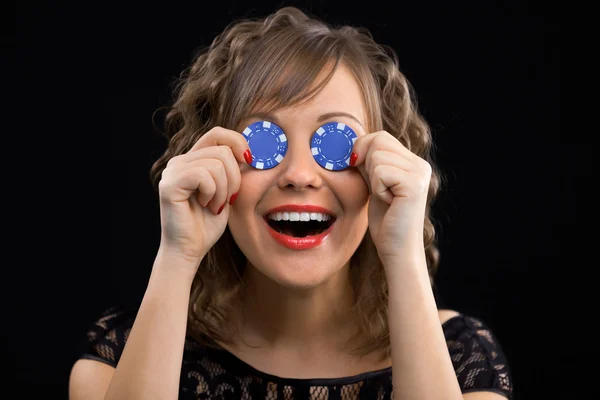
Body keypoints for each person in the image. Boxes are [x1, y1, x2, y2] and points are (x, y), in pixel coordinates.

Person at [68, 6, 513, 400]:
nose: (300, 175)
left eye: (335, 144)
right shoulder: (117, 358)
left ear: (386, 164)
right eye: (265, 141)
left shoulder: (463, 363)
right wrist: (178, 255)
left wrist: (403, 254)